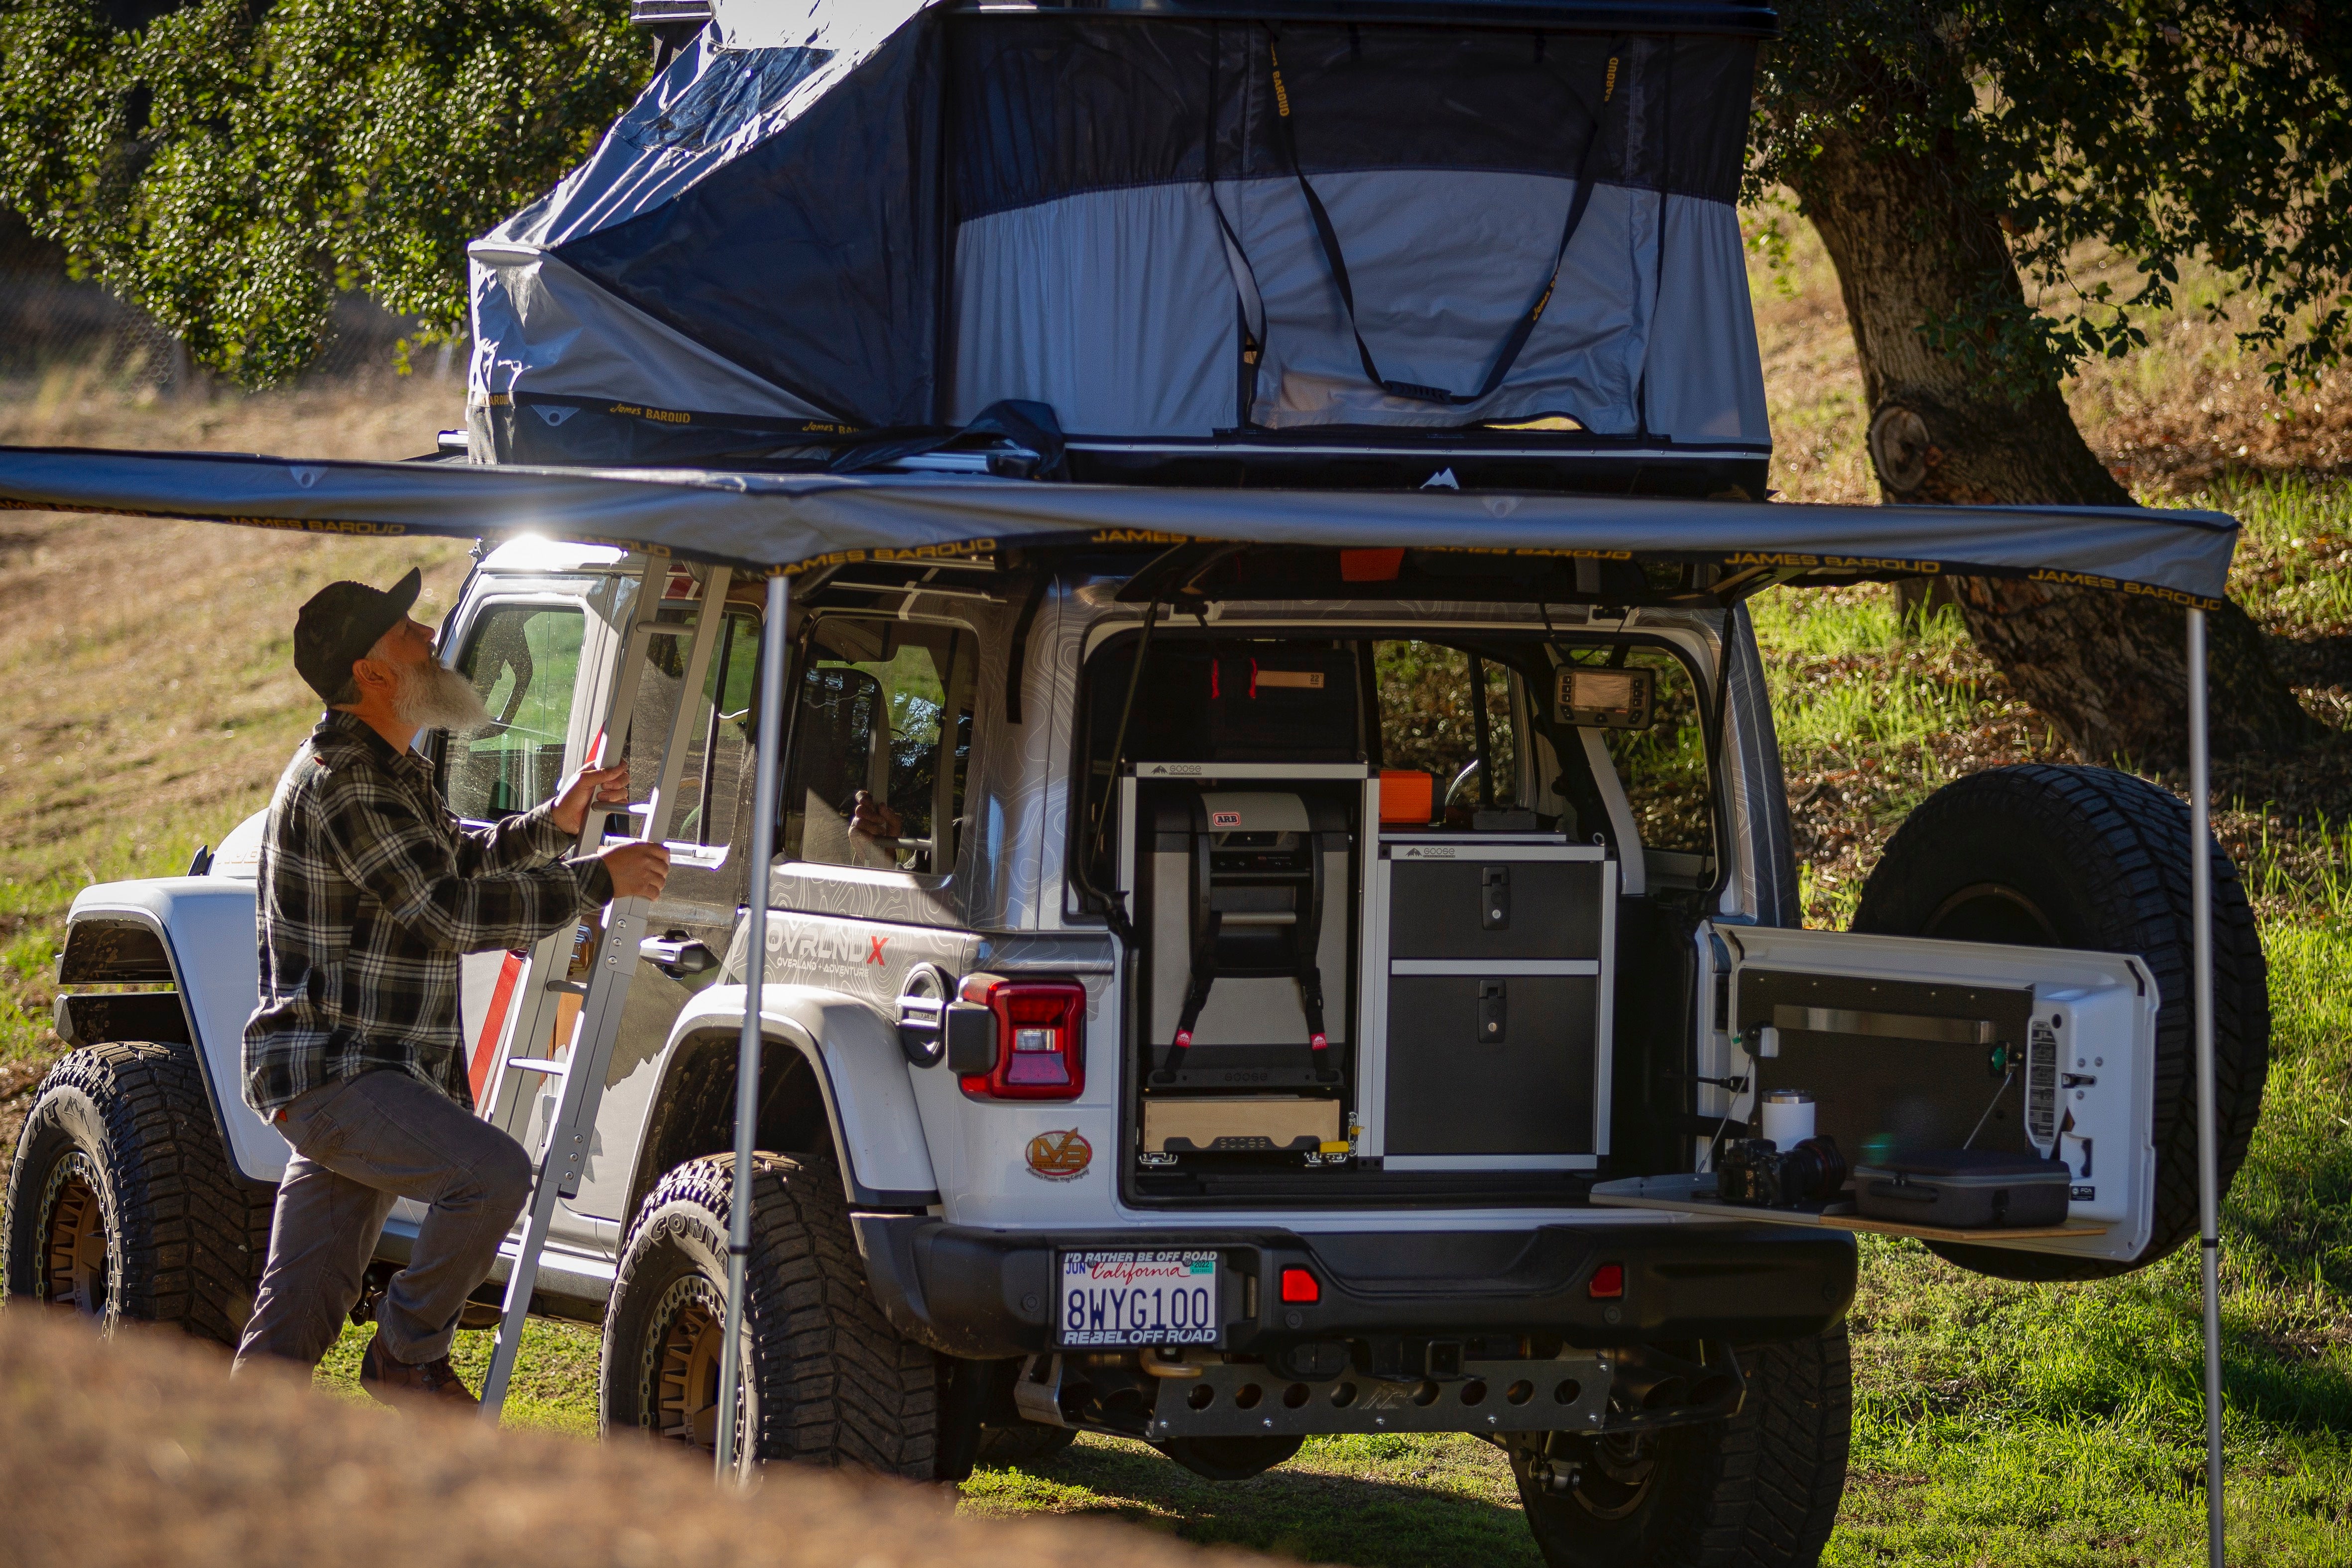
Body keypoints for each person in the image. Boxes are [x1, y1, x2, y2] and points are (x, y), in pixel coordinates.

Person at [231, 568, 670, 1405]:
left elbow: (457, 865)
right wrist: (595, 882)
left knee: (290, 1330)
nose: (430, 635)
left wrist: (556, 822)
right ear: (372, 673)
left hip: (353, 1075)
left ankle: (221, 1486)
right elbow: (448, 912)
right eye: (406, 631)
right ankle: (405, 1354)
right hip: (340, 1077)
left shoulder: (392, 770)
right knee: (494, 1174)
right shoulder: (348, 779)